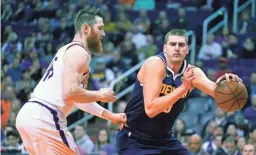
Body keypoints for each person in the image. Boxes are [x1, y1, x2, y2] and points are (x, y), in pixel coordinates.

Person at [16, 7, 127, 155]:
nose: (103, 33)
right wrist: (100, 94)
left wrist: (110, 116)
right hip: (46, 116)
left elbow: (78, 98)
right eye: (100, 28)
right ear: (86, 28)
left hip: (30, 115)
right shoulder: (79, 53)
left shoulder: (67, 50)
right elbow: (70, 93)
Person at [116, 29, 241, 155]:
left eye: (181, 45)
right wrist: (183, 88)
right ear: (165, 48)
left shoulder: (192, 73)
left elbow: (218, 94)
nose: (177, 48)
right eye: (172, 44)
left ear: (187, 50)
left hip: (164, 138)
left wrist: (228, 87)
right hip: (135, 138)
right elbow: (151, 109)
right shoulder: (155, 64)